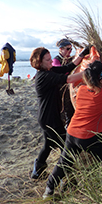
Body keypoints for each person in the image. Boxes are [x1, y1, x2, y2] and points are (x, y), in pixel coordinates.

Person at [43, 60, 102, 199]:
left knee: (64, 162)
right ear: (101, 80)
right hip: (89, 136)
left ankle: (49, 189)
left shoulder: (82, 90)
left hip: (72, 133)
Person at [29, 46, 89, 180]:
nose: (51, 61)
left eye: (51, 58)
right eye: (48, 60)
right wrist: (88, 73)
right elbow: (68, 79)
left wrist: (83, 54)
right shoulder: (44, 76)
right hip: (49, 119)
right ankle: (63, 177)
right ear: (39, 63)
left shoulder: (50, 70)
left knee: (48, 144)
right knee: (66, 147)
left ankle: (37, 171)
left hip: (48, 117)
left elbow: (69, 67)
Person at [53, 39, 76, 128]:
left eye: (71, 49)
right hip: (61, 89)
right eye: (67, 49)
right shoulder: (56, 60)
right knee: (65, 110)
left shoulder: (71, 59)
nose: (69, 51)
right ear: (61, 49)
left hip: (70, 87)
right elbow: (60, 71)